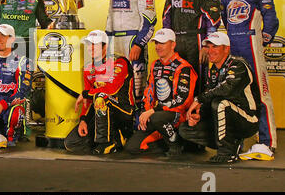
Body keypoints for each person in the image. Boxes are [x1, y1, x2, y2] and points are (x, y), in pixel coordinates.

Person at [220, 0, 279, 159]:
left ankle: (267, 141)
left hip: (250, 42)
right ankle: (237, 141)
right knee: (235, 93)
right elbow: (225, 19)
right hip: (232, 44)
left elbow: (271, 19)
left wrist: (263, 40)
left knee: (261, 92)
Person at [179, 32, 261, 163]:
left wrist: (199, 99)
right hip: (225, 116)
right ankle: (232, 143)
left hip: (248, 119)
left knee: (220, 103)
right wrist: (199, 115)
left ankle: (227, 153)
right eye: (208, 47)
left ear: (226, 49)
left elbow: (226, 89)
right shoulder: (213, 70)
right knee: (186, 129)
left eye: (215, 47)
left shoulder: (238, 65)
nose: (210, 51)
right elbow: (210, 98)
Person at [125, 28, 197, 156]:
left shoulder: (183, 67)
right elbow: (149, 93)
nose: (158, 47)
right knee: (132, 147)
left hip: (176, 116)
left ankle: (176, 143)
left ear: (173, 44)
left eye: (162, 43)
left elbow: (182, 101)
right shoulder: (155, 65)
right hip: (156, 116)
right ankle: (168, 141)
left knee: (157, 117)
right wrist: (145, 113)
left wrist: (154, 111)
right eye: (156, 43)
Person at [64, 30, 135, 155]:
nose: (90, 48)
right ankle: (116, 138)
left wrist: (85, 94)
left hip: (123, 112)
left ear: (105, 46)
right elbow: (88, 99)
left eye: (95, 44)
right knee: (71, 143)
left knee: (101, 97)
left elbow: (111, 89)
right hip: (100, 115)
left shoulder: (120, 62)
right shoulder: (88, 68)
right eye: (88, 44)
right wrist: (83, 120)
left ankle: (106, 142)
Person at [105, 0, 157, 121]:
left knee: (137, 85)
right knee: (115, 83)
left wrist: (139, 44)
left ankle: (137, 124)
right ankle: (120, 124)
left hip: (132, 40)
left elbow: (149, 20)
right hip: (115, 42)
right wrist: (106, 44)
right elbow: (109, 18)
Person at [162, 0, 221, 93]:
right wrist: (167, 42)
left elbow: (212, 20)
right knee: (175, 80)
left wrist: (207, 45)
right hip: (176, 40)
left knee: (197, 83)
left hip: (196, 40)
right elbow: (166, 17)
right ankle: (177, 114)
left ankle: (198, 114)